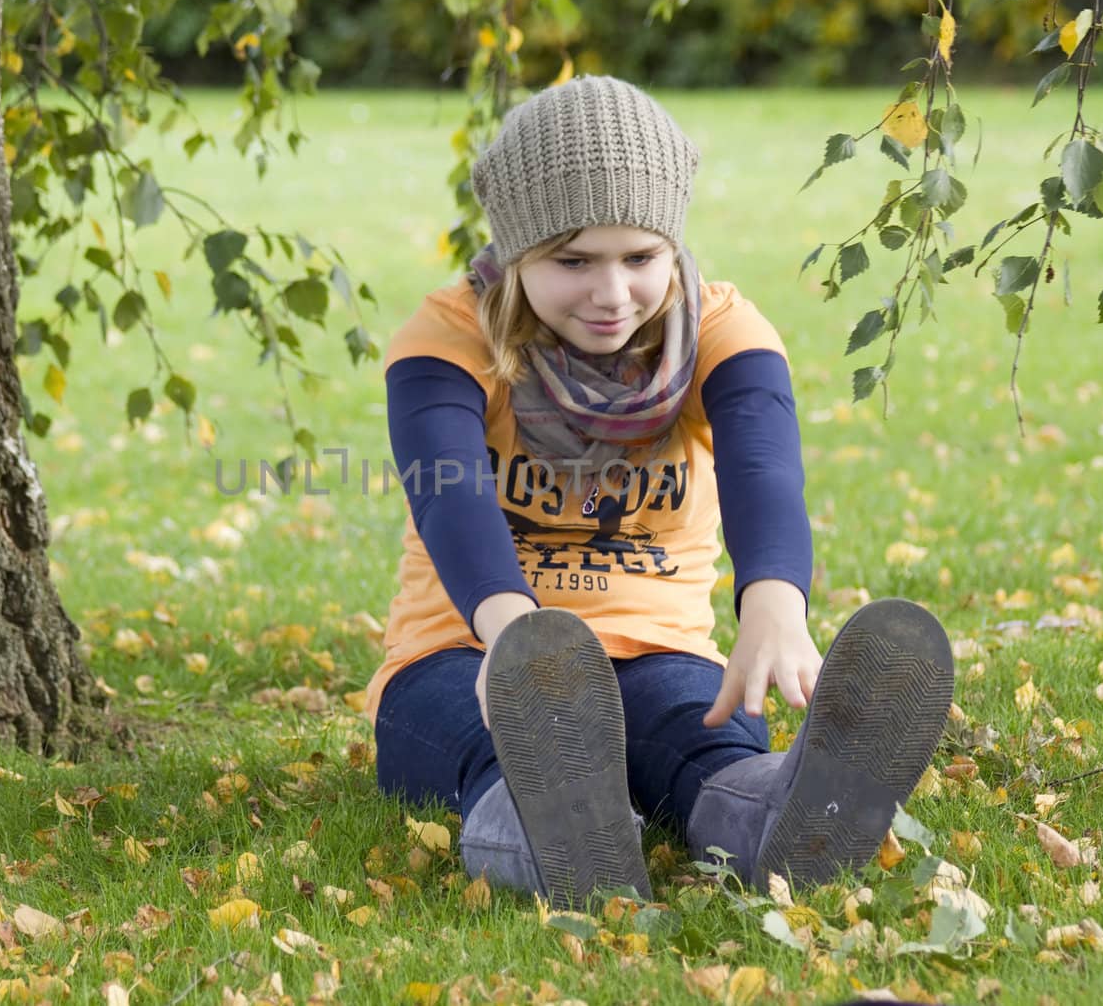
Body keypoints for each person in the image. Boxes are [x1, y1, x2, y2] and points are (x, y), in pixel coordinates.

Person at [367, 75, 954, 908]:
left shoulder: (722, 327)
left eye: (641, 258)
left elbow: (763, 467)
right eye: (573, 261)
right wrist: (511, 634)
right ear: (519, 251)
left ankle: (772, 820)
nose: (613, 295)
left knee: (705, 753)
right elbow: (448, 493)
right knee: (508, 754)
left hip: (656, 652)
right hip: (463, 654)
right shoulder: (445, 336)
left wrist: (775, 608)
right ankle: (546, 839)